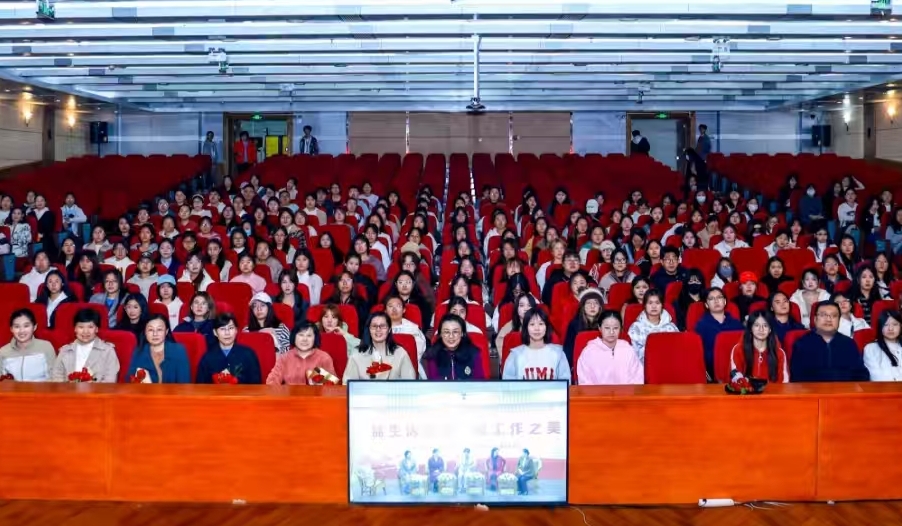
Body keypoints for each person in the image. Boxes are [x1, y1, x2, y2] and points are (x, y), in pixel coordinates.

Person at [790, 301, 869, 382]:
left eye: (834, 316)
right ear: (815, 319)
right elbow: (797, 377)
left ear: (839, 320)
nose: (828, 319)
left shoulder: (849, 343)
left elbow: (861, 374)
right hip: (812, 389)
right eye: (823, 315)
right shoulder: (802, 344)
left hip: (845, 389)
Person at [342, 312, 416, 382]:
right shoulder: (356, 354)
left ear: (389, 329)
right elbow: (348, 383)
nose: (378, 329)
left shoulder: (400, 353)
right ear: (369, 329)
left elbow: (410, 383)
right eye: (374, 326)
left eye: (382, 326)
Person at [52, 308, 120, 383]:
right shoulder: (65, 351)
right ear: (75, 329)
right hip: (67, 390)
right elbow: (56, 378)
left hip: (97, 390)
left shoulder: (108, 351)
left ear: (96, 329)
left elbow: (110, 381)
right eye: (81, 327)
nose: (85, 331)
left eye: (90, 327)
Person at [576, 310, 644, 385]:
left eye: (615, 328)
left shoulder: (628, 349)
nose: (611, 332)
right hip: (596, 392)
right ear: (600, 328)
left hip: (626, 392)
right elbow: (584, 381)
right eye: (607, 328)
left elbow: (637, 378)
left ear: (621, 329)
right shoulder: (589, 352)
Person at [502, 308, 571, 381]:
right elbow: (508, 384)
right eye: (532, 324)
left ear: (546, 327)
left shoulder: (558, 354)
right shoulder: (515, 355)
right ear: (526, 328)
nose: (537, 328)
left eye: (541, 324)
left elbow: (566, 382)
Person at [196, 313, 262, 384]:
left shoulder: (248, 355)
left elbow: (256, 385)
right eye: (222, 329)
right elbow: (200, 387)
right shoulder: (207, 358)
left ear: (236, 330)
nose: (227, 333)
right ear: (215, 332)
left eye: (231, 328)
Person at [694, 287, 743, 380]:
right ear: (706, 305)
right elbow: (697, 354)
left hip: (737, 370)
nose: (716, 301)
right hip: (713, 373)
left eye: (719, 297)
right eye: (711, 298)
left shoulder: (736, 324)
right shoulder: (701, 326)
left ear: (725, 301)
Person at [126, 314, 191, 383]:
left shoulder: (178, 350)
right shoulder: (139, 351)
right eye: (150, 330)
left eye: (159, 329)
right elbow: (130, 380)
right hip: (146, 390)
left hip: (175, 390)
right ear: (145, 332)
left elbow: (184, 383)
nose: (155, 334)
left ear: (166, 332)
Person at [266, 322, 336, 385]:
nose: (304, 339)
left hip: (317, 395)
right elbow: (272, 381)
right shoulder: (285, 358)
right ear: (294, 336)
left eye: (309, 335)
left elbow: (332, 386)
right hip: (290, 394)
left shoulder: (324, 358)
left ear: (315, 338)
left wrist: (318, 379)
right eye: (301, 335)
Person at [730, 311, 789, 382]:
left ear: (770, 329)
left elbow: (783, 382)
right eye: (757, 325)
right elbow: (735, 380)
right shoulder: (738, 350)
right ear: (750, 328)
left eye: (765, 325)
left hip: (774, 389)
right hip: (746, 389)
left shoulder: (779, 353)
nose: (761, 329)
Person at [422, 314, 485, 381]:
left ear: (462, 333)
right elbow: (434, 384)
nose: (451, 336)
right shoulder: (433, 354)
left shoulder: (473, 353)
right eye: (446, 332)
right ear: (440, 334)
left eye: (455, 332)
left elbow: (479, 383)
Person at [0, 309, 56, 381]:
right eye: (17, 326)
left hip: (43, 388)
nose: (21, 331)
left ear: (34, 327)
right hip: (12, 388)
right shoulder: (3, 352)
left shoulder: (46, 347)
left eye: (26, 326)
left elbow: (54, 376)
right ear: (11, 329)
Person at [627, 289, 679, 363]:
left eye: (657, 303)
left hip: (669, 364)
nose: (654, 306)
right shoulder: (636, 328)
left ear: (662, 306)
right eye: (650, 303)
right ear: (645, 306)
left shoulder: (671, 327)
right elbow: (632, 354)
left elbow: (677, 350)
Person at [385, 295, 427, 377]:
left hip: (409, 367)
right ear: (385, 311)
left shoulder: (413, 329)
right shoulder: (379, 329)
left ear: (404, 310)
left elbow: (418, 352)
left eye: (398, 306)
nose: (394, 309)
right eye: (390, 306)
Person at [864, 310, 902, 381]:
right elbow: (877, 377)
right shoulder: (871, 349)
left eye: (895, 324)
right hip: (884, 387)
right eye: (886, 325)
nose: (890, 328)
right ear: (880, 327)